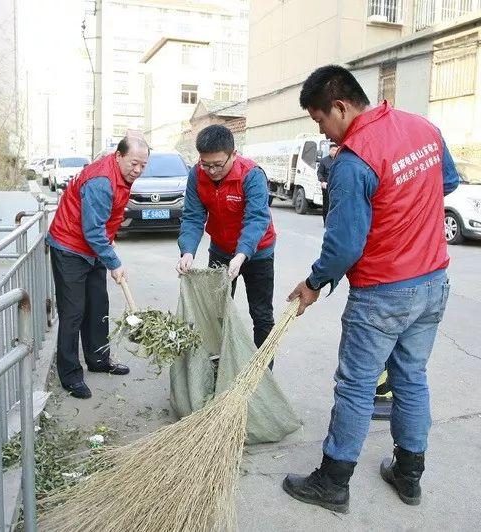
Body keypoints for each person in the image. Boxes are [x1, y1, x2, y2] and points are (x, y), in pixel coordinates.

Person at [282, 65, 459, 513]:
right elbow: (447, 182)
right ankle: (409, 474)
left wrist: (313, 283)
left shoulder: (353, 159)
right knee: (411, 378)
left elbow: (343, 245)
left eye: (320, 120)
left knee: (356, 386)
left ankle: (332, 482)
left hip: (383, 292)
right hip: (434, 282)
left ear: (340, 107)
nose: (323, 133)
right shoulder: (423, 127)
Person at [46, 136, 150, 399]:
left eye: (143, 165)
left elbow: (103, 219)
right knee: (73, 312)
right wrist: (114, 263)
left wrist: (108, 241)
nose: (138, 170)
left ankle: (99, 360)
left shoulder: (122, 177)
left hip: (93, 248)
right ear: (119, 156)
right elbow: (92, 229)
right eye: (134, 163)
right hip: (70, 246)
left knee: (97, 305)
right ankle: (70, 376)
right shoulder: (101, 181)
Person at [176, 125, 277, 356]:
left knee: (261, 314)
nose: (211, 171)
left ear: (233, 154)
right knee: (217, 311)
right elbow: (193, 216)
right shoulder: (196, 174)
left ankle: (262, 371)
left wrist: (241, 255)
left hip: (257, 252)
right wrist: (188, 252)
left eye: (217, 165)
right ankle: (217, 363)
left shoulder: (251, 174)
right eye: (205, 164)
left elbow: (256, 219)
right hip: (221, 251)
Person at [316, 143, 339, 226]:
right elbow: (319, 172)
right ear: (329, 150)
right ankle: (326, 221)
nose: (334, 152)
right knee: (327, 204)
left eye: (336, 150)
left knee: (336, 204)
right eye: (333, 150)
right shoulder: (324, 160)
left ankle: (334, 222)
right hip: (327, 185)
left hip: (336, 186)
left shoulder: (339, 160)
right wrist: (322, 181)